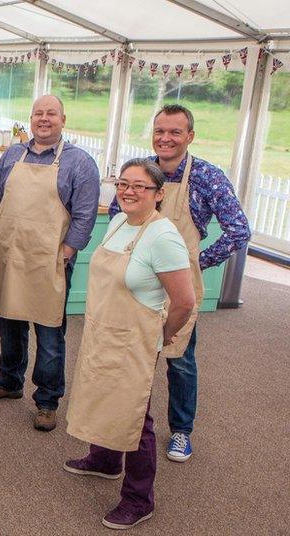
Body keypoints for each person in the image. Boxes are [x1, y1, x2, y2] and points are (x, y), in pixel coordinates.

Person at [109, 104, 250, 462]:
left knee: (179, 358)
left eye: (174, 132)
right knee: (129, 354)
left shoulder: (207, 177)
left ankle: (181, 431)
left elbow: (239, 231)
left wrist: (196, 264)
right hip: (137, 280)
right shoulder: (141, 170)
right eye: (160, 131)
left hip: (177, 285)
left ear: (190, 136)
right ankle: (123, 422)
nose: (166, 139)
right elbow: (116, 214)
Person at [65, 158, 195, 529]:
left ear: (159, 194)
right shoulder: (120, 221)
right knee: (101, 393)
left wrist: (161, 336)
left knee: (135, 415)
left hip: (134, 338)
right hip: (102, 329)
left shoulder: (163, 236)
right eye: (124, 184)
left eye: (140, 186)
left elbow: (184, 302)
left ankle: (139, 499)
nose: (129, 191)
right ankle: (105, 460)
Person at [0, 94, 100, 431]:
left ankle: (47, 400)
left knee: (49, 332)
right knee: (9, 323)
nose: (43, 119)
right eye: (37, 113)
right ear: (30, 119)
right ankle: (9, 381)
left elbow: (85, 216)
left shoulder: (80, 162)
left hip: (50, 259)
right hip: (9, 254)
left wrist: (67, 253)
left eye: (51, 114)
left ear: (63, 119)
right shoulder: (12, 155)